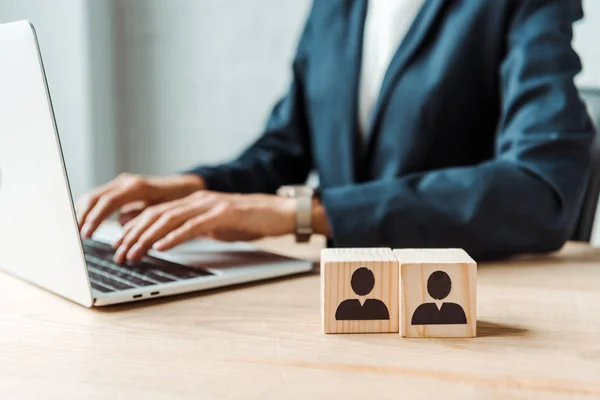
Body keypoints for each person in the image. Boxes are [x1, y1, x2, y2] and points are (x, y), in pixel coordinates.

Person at [76, 0, 595, 264]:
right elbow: (286, 148)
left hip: (460, 308)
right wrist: (194, 186)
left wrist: (305, 213)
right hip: (334, 298)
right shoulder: (336, 7)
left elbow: (541, 190)